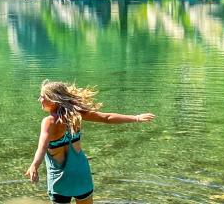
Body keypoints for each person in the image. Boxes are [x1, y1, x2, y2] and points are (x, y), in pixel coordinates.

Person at [25, 80, 155, 204]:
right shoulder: (76, 114)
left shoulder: (49, 122)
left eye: (42, 96)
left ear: (53, 99)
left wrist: (34, 165)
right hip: (81, 174)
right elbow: (107, 118)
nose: (39, 99)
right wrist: (136, 118)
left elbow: (42, 147)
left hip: (60, 180)